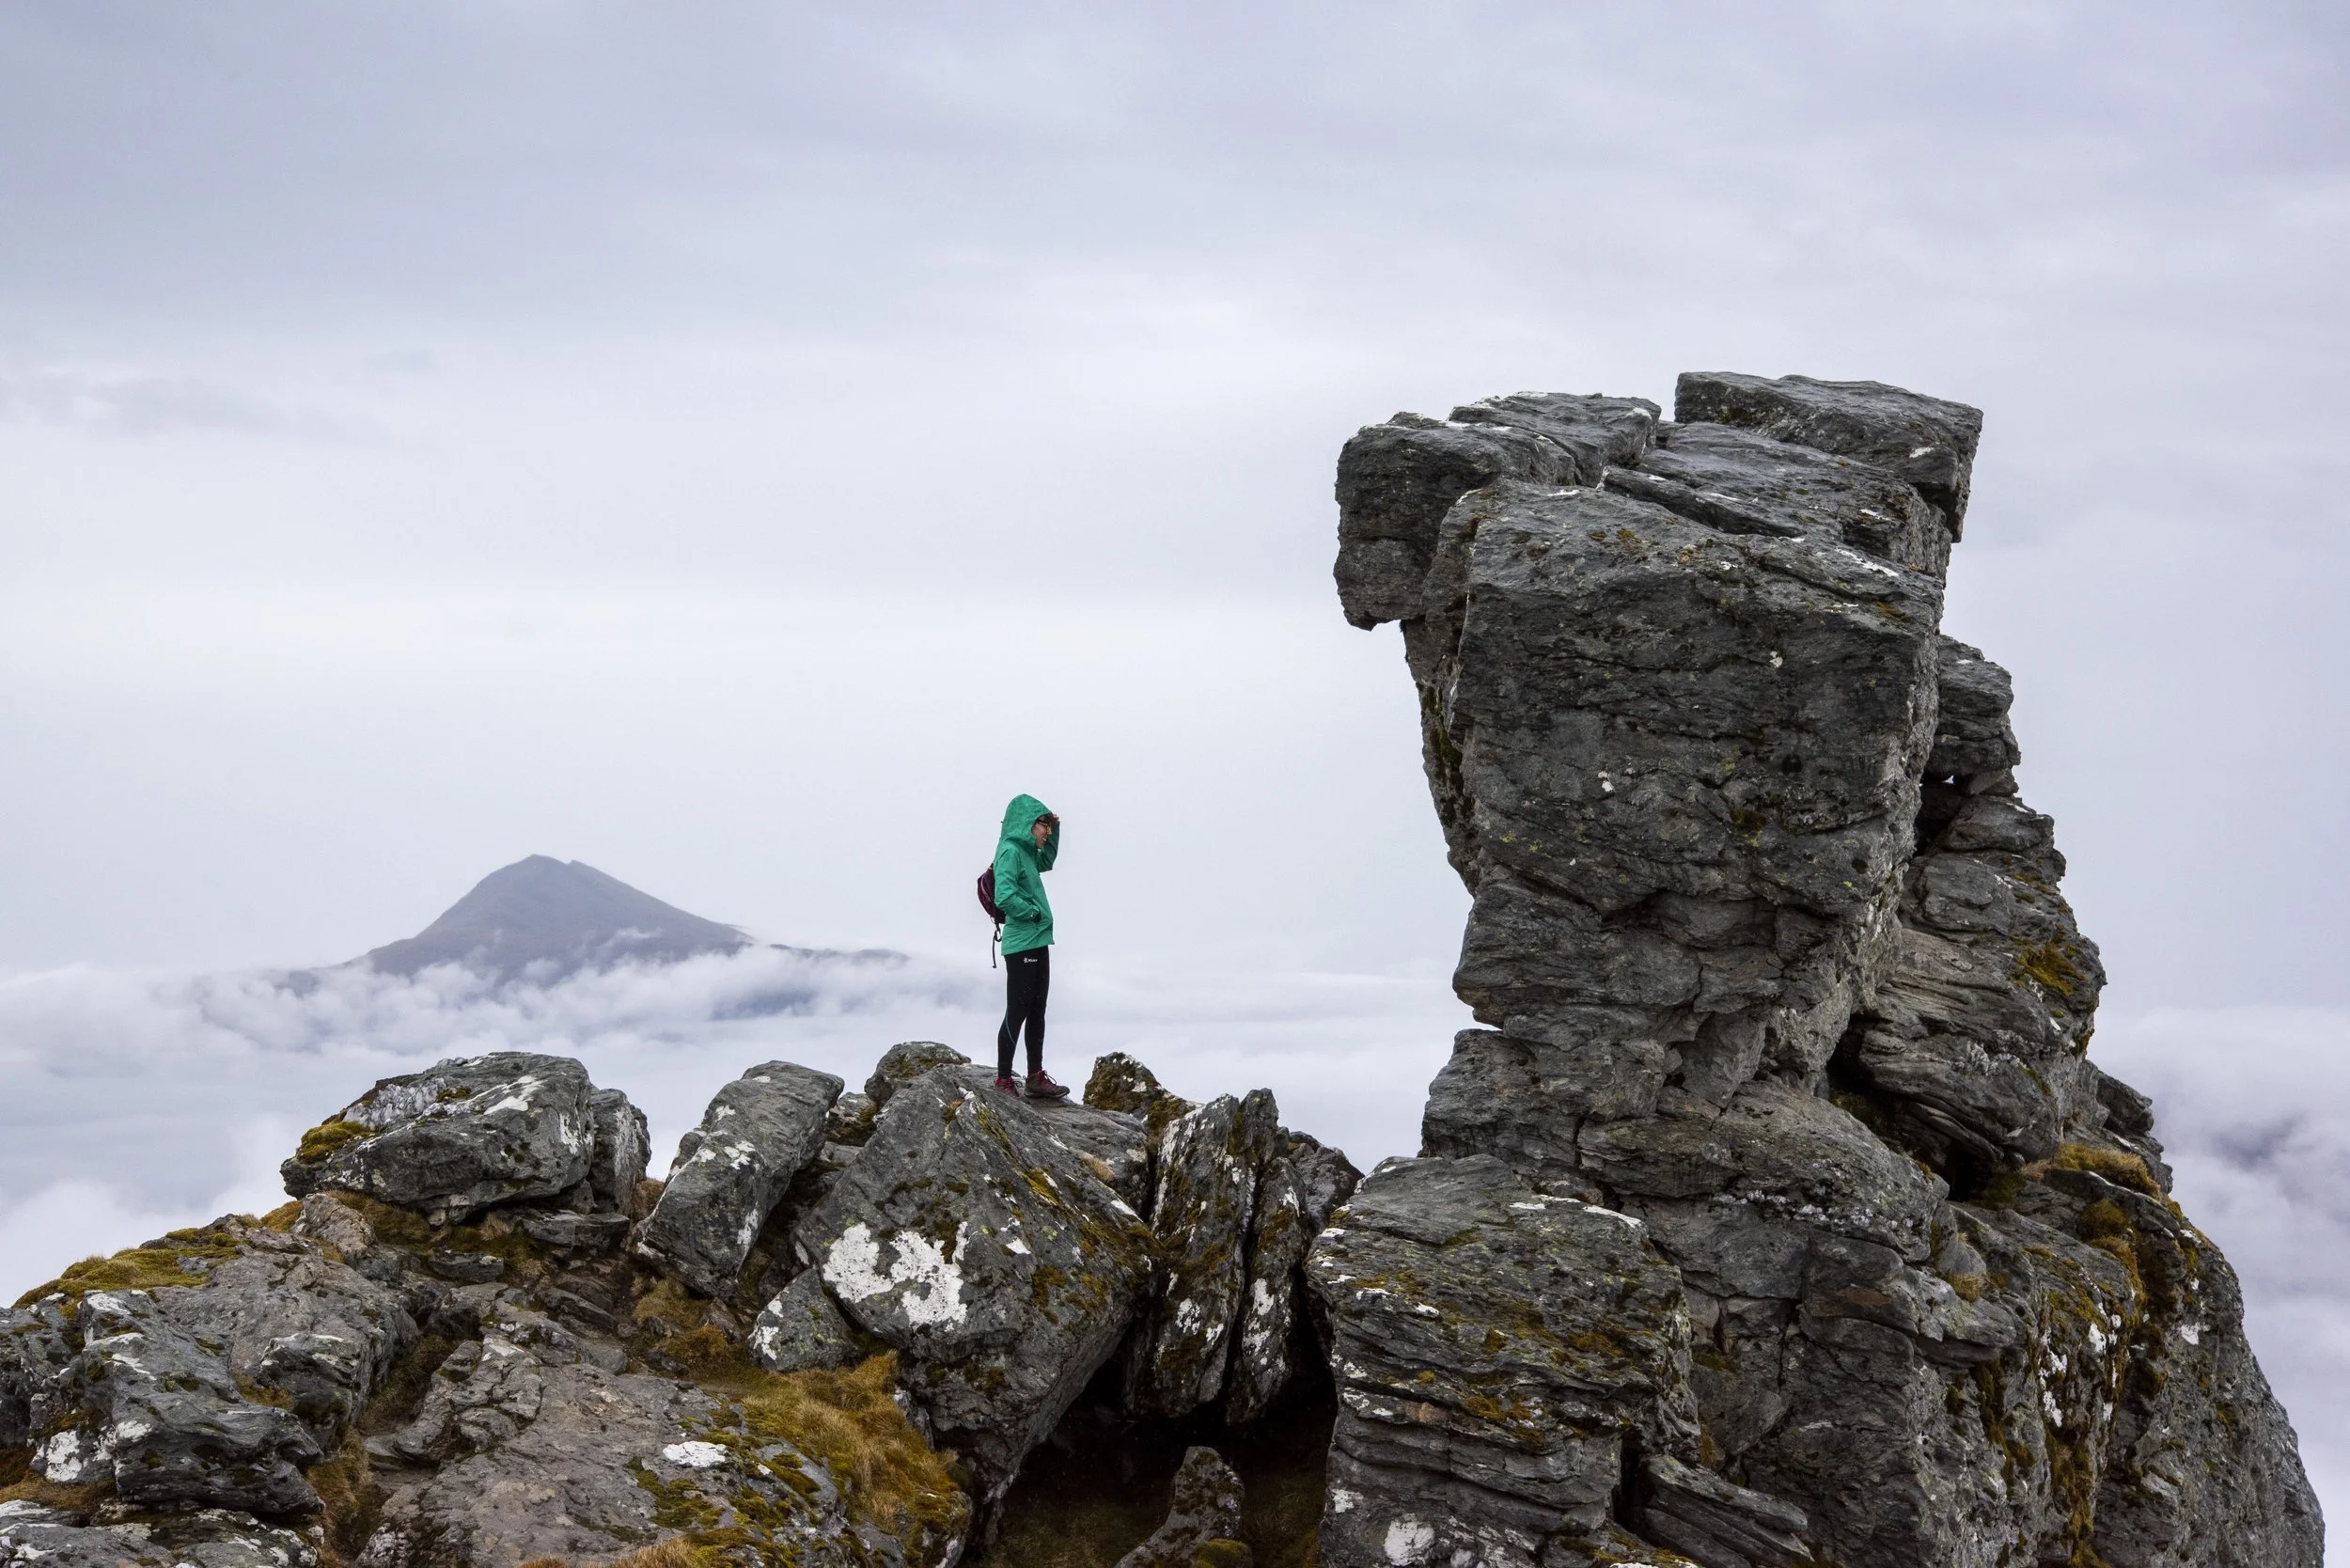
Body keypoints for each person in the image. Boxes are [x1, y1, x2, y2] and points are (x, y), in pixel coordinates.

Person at [992, 793, 1068, 1099]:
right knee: (1018, 1010)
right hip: (1021, 944)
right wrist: (1032, 912)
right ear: (1026, 824)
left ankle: (1035, 1077)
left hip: (1037, 940)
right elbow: (1004, 896)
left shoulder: (1026, 852)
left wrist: (1057, 830)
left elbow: (1047, 860)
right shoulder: (1010, 851)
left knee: (1037, 1009)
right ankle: (1003, 1079)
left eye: (1048, 826)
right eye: (1043, 825)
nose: (1046, 831)